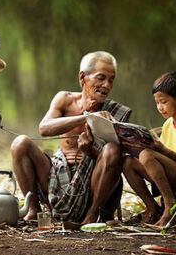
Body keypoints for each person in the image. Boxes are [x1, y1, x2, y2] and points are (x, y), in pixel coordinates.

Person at [11, 51, 131, 224]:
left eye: (111, 80)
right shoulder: (65, 99)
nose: (106, 85)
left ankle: (91, 215)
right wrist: (86, 117)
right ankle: (33, 211)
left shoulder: (115, 113)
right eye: (101, 78)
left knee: (113, 149)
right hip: (56, 178)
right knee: (20, 143)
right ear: (83, 77)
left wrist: (90, 152)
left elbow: (114, 163)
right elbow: (44, 128)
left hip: (93, 185)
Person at [123, 72, 176, 227]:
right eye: (157, 103)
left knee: (147, 156)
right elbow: (161, 155)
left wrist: (162, 151)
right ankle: (152, 207)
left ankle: (169, 203)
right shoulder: (168, 124)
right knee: (128, 162)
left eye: (163, 102)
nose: (160, 107)